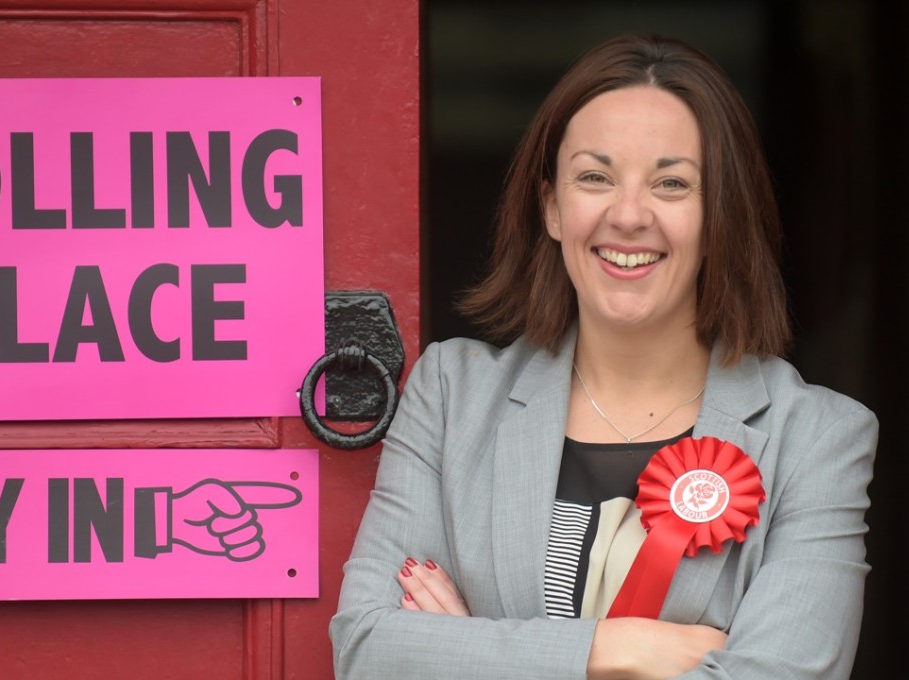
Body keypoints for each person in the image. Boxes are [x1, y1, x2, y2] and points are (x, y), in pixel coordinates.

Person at [330, 34, 877, 679]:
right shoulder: (452, 398)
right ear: (553, 207)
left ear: (720, 217)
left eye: (672, 183)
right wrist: (623, 650)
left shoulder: (815, 439)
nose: (629, 215)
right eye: (595, 177)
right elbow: (368, 649)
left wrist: (471, 651)